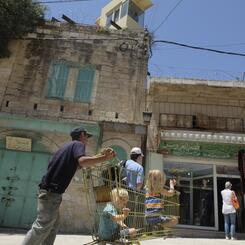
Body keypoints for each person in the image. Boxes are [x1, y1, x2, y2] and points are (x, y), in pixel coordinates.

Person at [21, 127, 116, 245]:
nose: (87, 140)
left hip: (50, 192)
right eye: (87, 137)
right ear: (82, 135)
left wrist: (97, 157)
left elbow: (77, 166)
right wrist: (104, 158)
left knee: (53, 226)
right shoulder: (78, 144)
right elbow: (82, 161)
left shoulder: (65, 148)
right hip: (52, 192)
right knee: (42, 227)